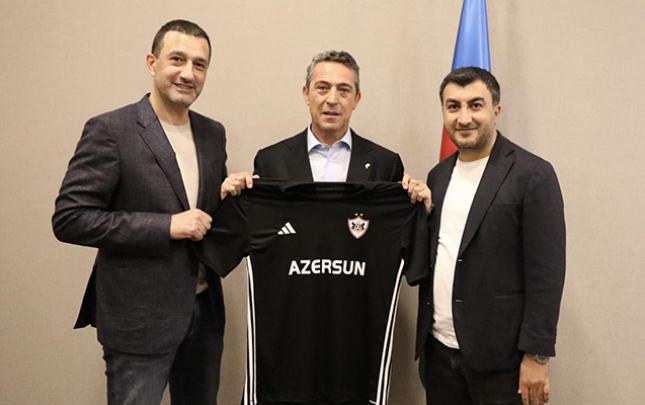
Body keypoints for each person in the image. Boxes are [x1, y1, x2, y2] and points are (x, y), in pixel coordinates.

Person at [53, 20, 227, 405]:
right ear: (152, 62)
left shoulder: (213, 133)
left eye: (199, 64)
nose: (188, 73)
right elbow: (70, 218)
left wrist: (231, 194)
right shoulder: (111, 130)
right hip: (138, 321)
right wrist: (166, 226)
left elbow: (205, 216)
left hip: (205, 313)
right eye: (177, 59)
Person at [416, 67, 566, 405]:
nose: (464, 117)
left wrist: (537, 355)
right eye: (453, 106)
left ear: (496, 111)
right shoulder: (438, 176)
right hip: (439, 354)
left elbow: (547, 274)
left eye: (475, 105)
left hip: (503, 362)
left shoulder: (533, 174)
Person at [222, 50, 430, 210]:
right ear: (306, 94)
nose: (332, 100)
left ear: (356, 100)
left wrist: (424, 207)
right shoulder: (271, 161)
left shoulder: (385, 164)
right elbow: (251, 232)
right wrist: (231, 199)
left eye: (343, 90)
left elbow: (400, 234)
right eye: (322, 88)